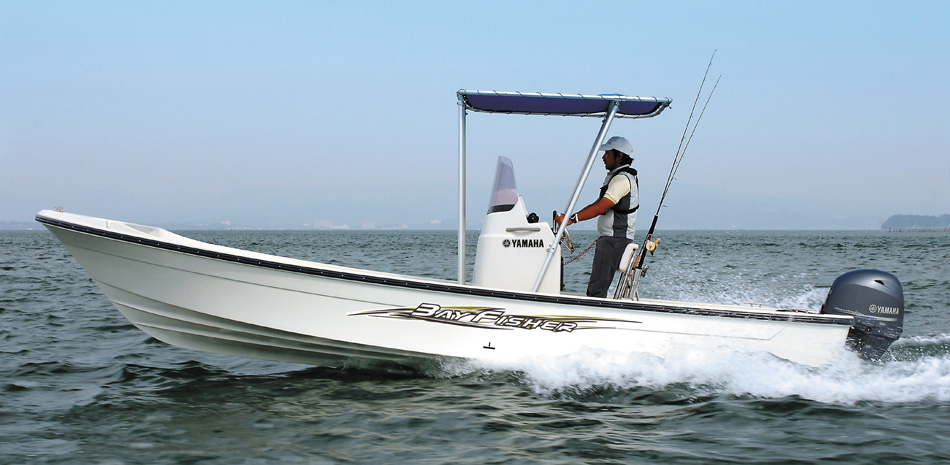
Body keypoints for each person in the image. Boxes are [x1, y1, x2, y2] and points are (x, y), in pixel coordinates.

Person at [556, 136, 639, 297]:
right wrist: (570, 217)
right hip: (612, 239)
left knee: (596, 290)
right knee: (597, 286)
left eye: (607, 153)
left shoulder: (622, 179)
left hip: (614, 241)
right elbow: (598, 203)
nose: (603, 157)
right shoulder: (618, 177)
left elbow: (601, 207)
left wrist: (571, 220)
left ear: (619, 155)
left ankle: (594, 313)